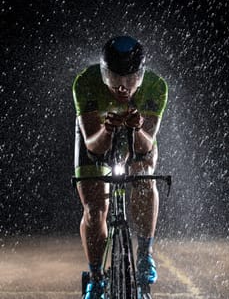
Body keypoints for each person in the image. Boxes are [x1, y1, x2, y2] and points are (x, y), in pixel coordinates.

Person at [73, 35, 168, 299]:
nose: (123, 87)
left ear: (141, 75)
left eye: (130, 78)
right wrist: (107, 129)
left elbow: (146, 145)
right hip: (97, 135)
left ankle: (145, 254)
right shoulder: (85, 83)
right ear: (104, 74)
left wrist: (136, 128)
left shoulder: (156, 86)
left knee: (145, 177)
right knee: (94, 210)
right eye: (115, 78)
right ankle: (96, 277)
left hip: (135, 136)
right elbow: (93, 146)